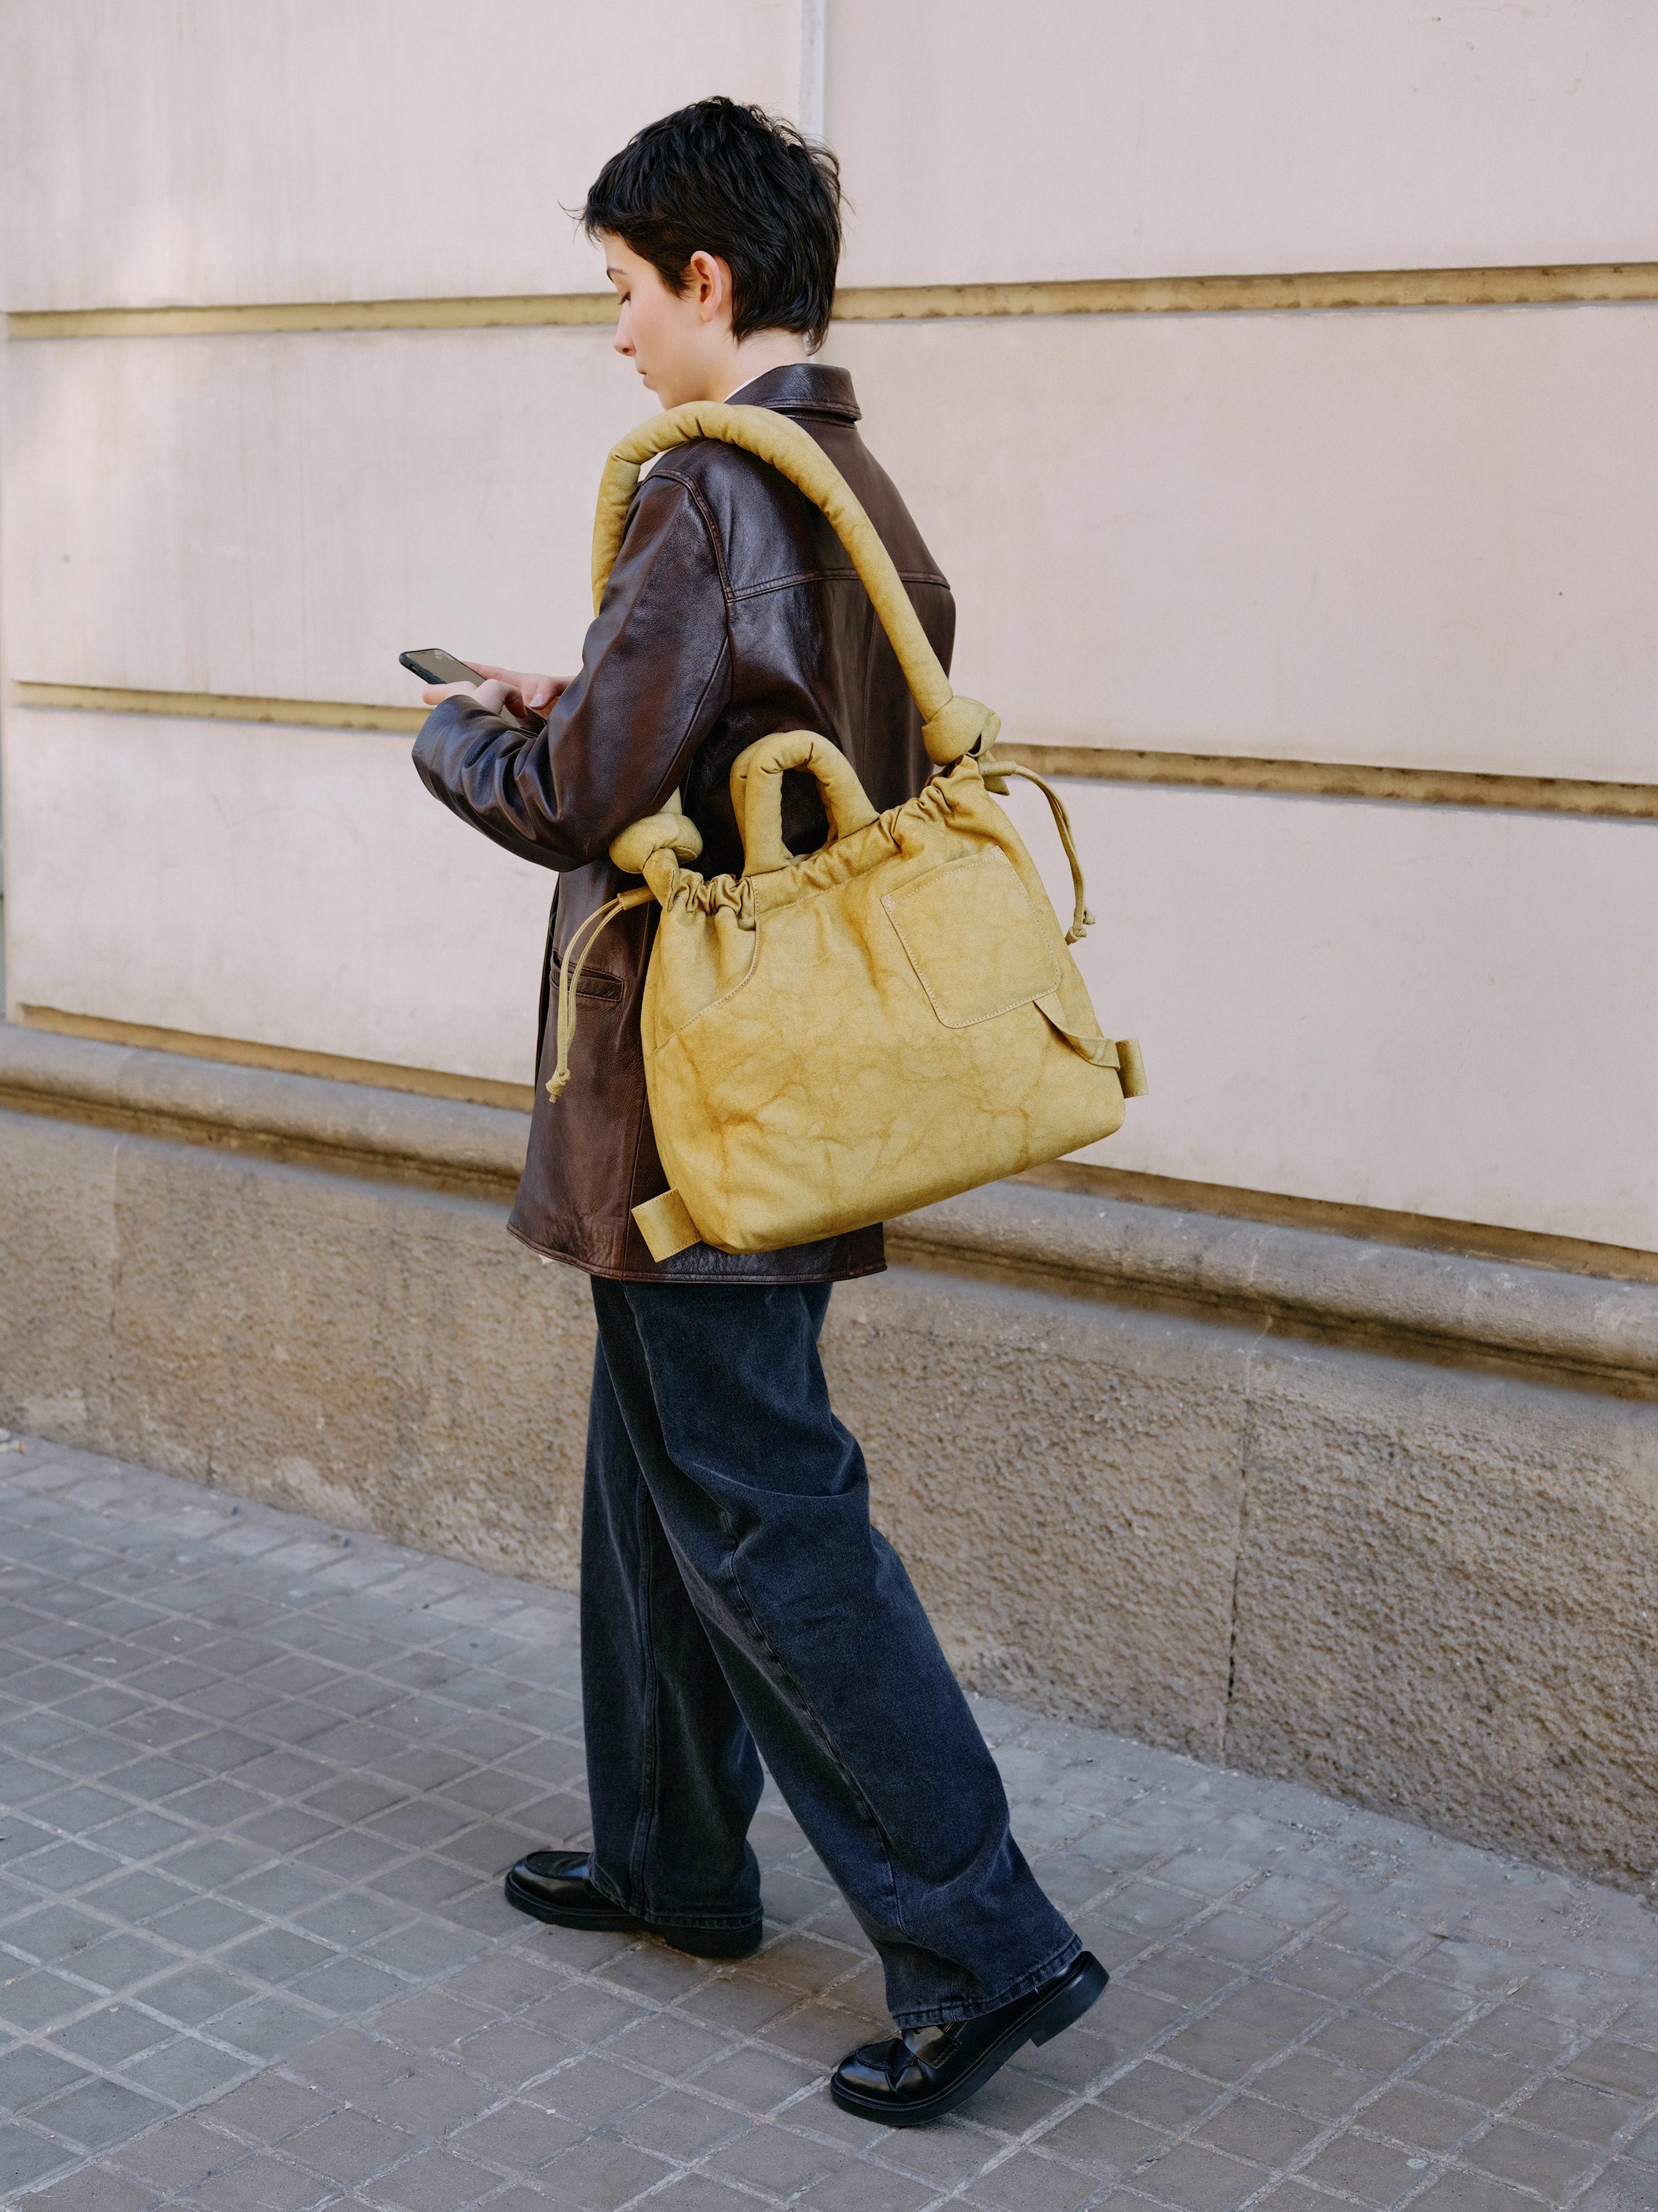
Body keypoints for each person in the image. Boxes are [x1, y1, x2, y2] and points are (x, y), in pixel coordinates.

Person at [411, 97, 1104, 2127]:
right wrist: (603, 698)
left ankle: (984, 1941)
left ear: (704, 280)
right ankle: (671, 1858)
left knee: (765, 1511)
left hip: (711, 1105)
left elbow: (569, 797)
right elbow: (755, 740)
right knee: (661, 1481)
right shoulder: (850, 479)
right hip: (800, 1089)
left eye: (625, 292)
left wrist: (466, 731)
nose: (618, 336)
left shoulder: (708, 488)